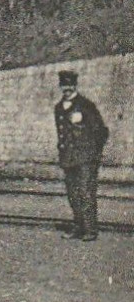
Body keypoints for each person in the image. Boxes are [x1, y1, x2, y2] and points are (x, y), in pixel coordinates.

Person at [55, 71, 109, 241]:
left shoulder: (86, 106)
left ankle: (90, 230)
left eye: (70, 86)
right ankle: (78, 227)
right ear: (60, 87)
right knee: (73, 194)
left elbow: (101, 131)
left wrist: (93, 154)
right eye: (64, 86)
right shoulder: (58, 108)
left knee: (86, 193)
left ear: (75, 86)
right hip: (68, 158)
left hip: (86, 158)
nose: (67, 89)